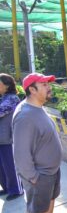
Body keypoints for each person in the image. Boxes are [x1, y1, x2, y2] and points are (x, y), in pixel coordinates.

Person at [12, 73, 67, 213]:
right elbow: (21, 153)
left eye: (48, 83)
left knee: (50, 200)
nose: (48, 87)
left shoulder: (37, 107)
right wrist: (33, 177)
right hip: (39, 174)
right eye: (43, 84)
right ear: (32, 89)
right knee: (34, 208)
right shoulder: (25, 116)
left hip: (51, 170)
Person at [0, 73, 24, 201]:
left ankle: (16, 190)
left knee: (10, 166)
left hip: (8, 138)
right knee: (2, 167)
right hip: (1, 138)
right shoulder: (3, 97)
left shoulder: (12, 99)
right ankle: (7, 187)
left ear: (7, 85)